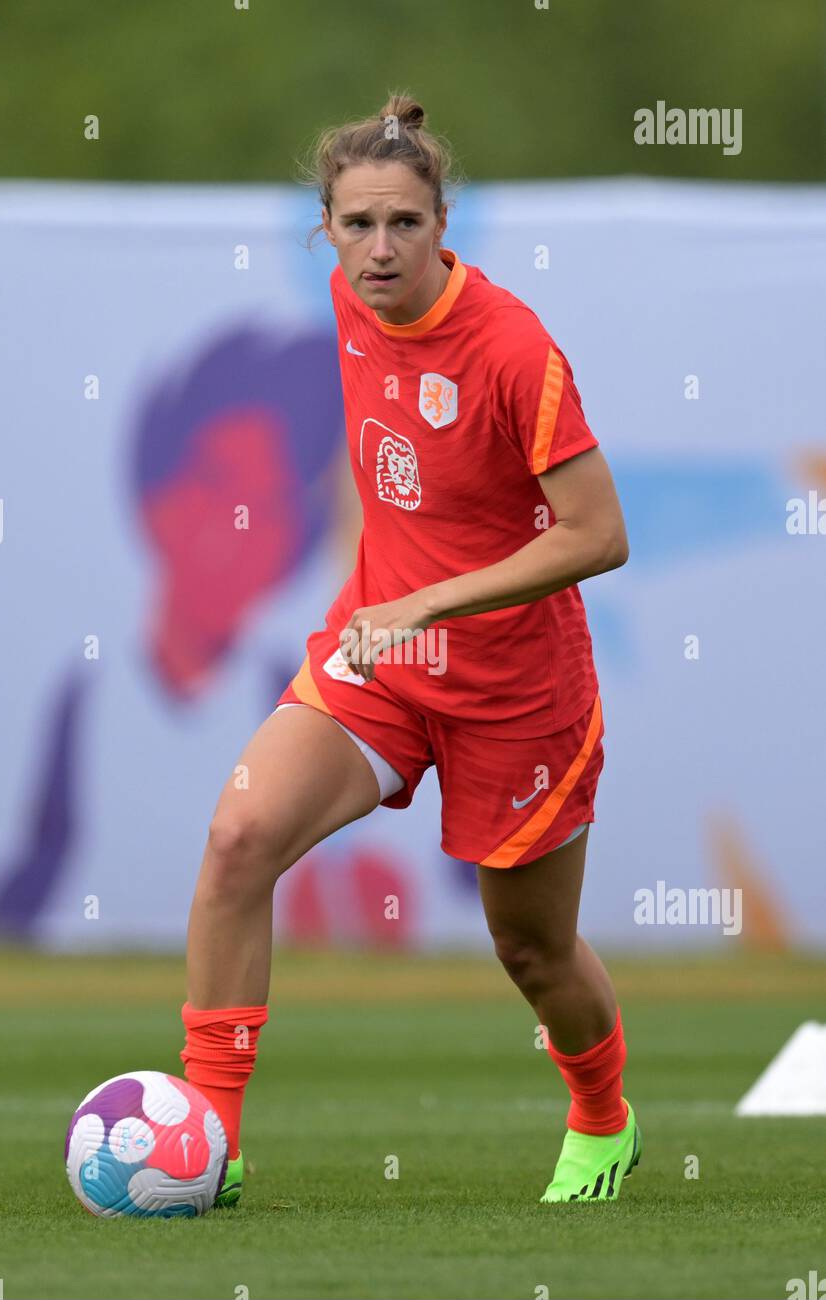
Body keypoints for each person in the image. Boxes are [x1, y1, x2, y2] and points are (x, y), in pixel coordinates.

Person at [179, 91, 640, 1208]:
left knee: (531, 951)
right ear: (324, 233)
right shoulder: (347, 301)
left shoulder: (515, 352)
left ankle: (601, 1112)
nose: (378, 249)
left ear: (444, 227)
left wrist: (432, 603)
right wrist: (399, 610)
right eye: (356, 225)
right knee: (240, 838)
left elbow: (599, 536)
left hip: (515, 690)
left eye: (403, 224)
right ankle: (209, 1143)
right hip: (377, 657)